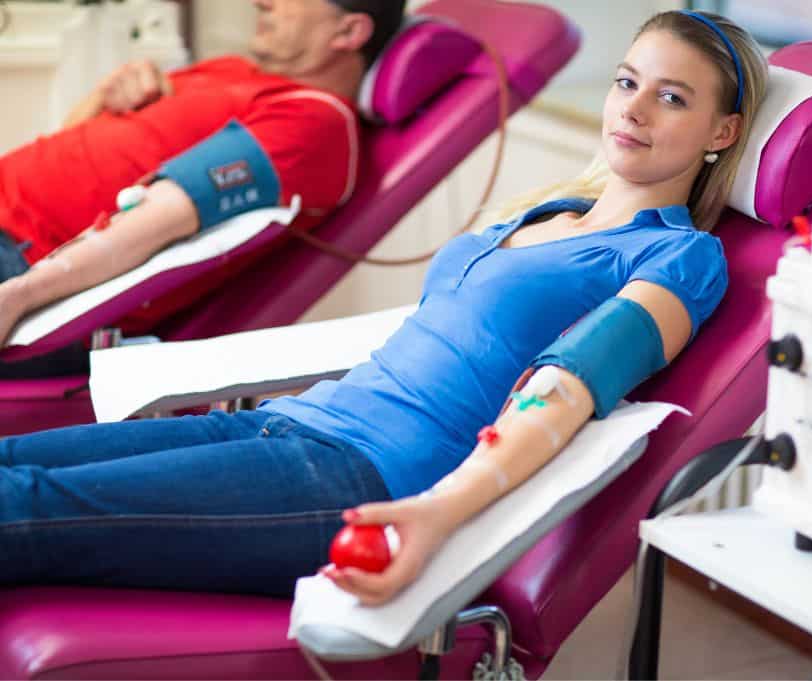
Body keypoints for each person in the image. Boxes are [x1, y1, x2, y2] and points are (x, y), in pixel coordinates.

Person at [0, 11, 768, 604]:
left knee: (26, 506)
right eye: (627, 82)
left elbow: (566, 386)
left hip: (363, 474)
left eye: (672, 98)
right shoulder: (545, 212)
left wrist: (438, 512)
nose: (635, 109)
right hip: (299, 421)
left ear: (722, 131)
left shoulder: (678, 256)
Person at [0, 0, 406, 377]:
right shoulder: (233, 71)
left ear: (348, 32)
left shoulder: (315, 121)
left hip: (24, 262)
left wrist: (19, 294)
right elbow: (68, 146)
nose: (262, 2)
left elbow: (158, 219)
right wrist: (102, 97)